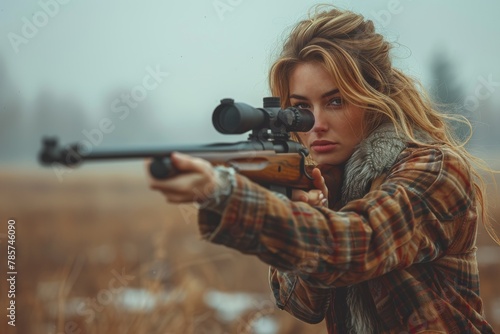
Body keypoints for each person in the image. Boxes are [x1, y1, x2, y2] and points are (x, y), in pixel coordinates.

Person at [147, 5, 499, 333]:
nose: (315, 124)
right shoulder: (329, 177)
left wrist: (227, 196)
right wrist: (307, 214)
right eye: (301, 108)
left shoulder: (435, 170)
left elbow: (359, 243)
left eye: (335, 101)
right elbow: (302, 305)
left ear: (375, 99)